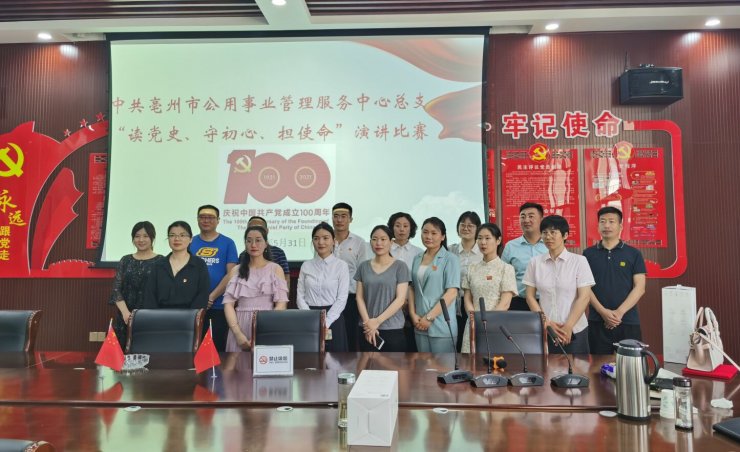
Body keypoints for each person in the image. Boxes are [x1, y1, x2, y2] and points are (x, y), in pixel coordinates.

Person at [522, 215, 594, 354]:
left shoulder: (579, 261)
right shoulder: (535, 263)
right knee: (548, 367)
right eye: (544, 233)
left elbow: (584, 297)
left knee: (578, 366)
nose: (548, 237)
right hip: (546, 329)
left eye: (553, 232)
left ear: (565, 235)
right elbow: (530, 296)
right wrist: (546, 323)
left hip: (575, 329)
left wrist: (568, 326)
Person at [583, 206, 647, 354]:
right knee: (598, 365)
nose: (606, 225)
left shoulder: (634, 254)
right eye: (602, 221)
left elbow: (640, 288)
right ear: (598, 226)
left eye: (611, 221)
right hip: (597, 320)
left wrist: (619, 313)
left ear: (620, 226)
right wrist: (603, 312)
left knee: (630, 362)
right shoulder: (588, 254)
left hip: (628, 320)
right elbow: (585, 288)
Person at [222, 226, 289, 351]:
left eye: (258, 240)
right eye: (249, 241)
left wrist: (263, 330)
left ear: (266, 244)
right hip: (239, 327)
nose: (253, 245)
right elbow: (228, 305)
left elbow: (281, 305)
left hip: (267, 326)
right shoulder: (236, 270)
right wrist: (238, 334)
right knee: (238, 363)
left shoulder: (275, 269)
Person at [460, 223, 517, 353]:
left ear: (498, 240)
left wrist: (488, 321)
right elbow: (467, 298)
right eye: (479, 238)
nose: (483, 242)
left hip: (496, 324)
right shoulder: (471, 268)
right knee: (470, 360)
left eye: (487, 238)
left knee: (494, 361)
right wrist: (473, 318)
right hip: (473, 324)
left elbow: (505, 303)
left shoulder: (506, 268)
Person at [189, 205, 239, 351]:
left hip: (218, 305)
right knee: (193, 348)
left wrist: (211, 297)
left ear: (218, 220)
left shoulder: (228, 243)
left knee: (216, 350)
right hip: (193, 305)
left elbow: (231, 273)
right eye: (202, 217)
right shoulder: (190, 243)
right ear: (197, 220)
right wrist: (199, 298)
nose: (206, 220)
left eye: (210, 217)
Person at [108, 221, 164, 348]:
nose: (141, 240)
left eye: (145, 236)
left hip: (151, 317)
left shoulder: (161, 261)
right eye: (137, 236)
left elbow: (163, 291)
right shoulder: (125, 260)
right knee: (123, 353)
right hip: (125, 317)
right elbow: (116, 289)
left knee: (148, 351)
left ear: (152, 238)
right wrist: (125, 313)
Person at [354, 225, 410, 352]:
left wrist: (377, 321)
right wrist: (368, 323)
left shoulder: (400, 266)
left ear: (391, 242)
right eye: (374, 239)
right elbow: (359, 297)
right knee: (367, 363)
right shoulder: (363, 266)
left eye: (383, 239)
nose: (378, 243)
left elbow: (400, 299)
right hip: (367, 328)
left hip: (392, 328)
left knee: (394, 364)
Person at [409, 217, 461, 353]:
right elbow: (412, 288)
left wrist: (429, 317)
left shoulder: (451, 259)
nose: (428, 236)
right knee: (423, 365)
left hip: (441, 324)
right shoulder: (417, 258)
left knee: (443, 365)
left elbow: (451, 293)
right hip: (419, 322)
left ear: (442, 236)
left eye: (434, 233)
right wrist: (412, 314)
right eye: (425, 232)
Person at [296, 222, 349, 352]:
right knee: (309, 359)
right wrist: (311, 318)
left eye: (325, 238)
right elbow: (300, 296)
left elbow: (342, 298)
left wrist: (326, 322)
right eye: (316, 238)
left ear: (333, 241)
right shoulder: (306, 265)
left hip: (333, 318)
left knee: (335, 360)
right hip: (309, 318)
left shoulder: (341, 266)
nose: (321, 242)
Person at [144, 221, 210, 309]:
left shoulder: (199, 265)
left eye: (182, 235)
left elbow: (203, 294)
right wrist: (155, 316)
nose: (177, 239)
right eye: (172, 235)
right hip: (160, 315)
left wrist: (192, 315)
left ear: (191, 239)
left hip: (190, 315)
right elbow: (150, 296)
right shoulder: (158, 265)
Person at [331, 202, 368, 351]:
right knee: (330, 336)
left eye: (343, 216)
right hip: (329, 296)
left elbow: (363, 272)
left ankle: (350, 365)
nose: (339, 220)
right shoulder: (325, 239)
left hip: (350, 297)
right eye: (336, 216)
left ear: (350, 219)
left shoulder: (359, 242)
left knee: (350, 335)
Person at [501, 202, 548, 311]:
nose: (526, 220)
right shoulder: (510, 246)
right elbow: (502, 276)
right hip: (518, 302)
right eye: (523, 216)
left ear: (541, 219)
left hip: (546, 302)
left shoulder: (550, 244)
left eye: (531, 216)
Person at [387, 211, 422, 351]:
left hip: (413, 304)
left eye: (406, 226)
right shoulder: (385, 249)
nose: (401, 229)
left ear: (411, 229)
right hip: (389, 303)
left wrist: (408, 301)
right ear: (391, 228)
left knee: (412, 345)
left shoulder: (419, 252)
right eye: (397, 225)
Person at [448, 211, 483, 351]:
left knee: (475, 341)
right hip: (454, 302)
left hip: (475, 302)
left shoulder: (483, 251)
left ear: (478, 229)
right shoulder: (450, 250)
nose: (466, 228)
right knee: (457, 341)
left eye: (470, 226)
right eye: (462, 225)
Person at [247, 216, 290, 286]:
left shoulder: (278, 253)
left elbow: (286, 279)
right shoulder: (243, 255)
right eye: (251, 228)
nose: (255, 231)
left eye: (259, 228)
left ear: (267, 231)